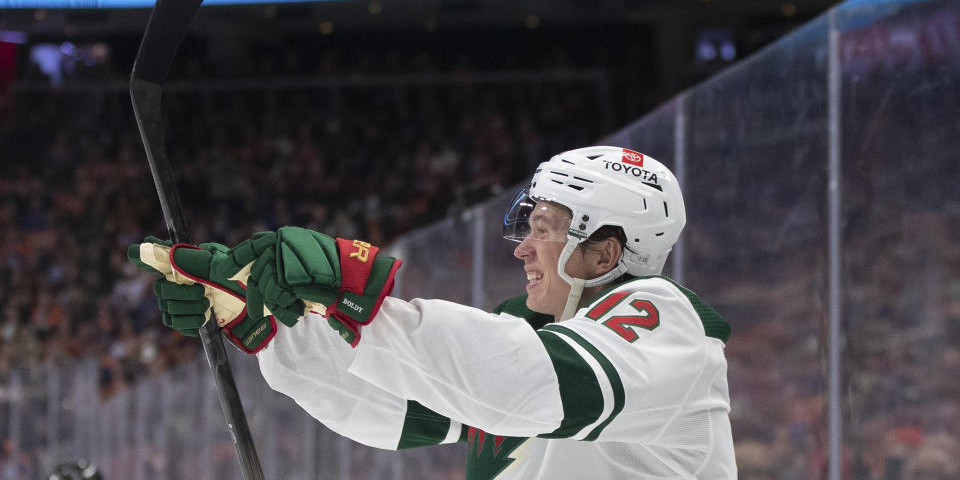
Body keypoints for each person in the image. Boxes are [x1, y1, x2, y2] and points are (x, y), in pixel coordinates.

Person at [129, 145, 737, 478]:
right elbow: (392, 406)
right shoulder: (533, 338)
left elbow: (529, 383)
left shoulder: (665, 322)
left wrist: (355, 296)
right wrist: (269, 324)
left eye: (546, 230)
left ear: (606, 251)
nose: (523, 248)